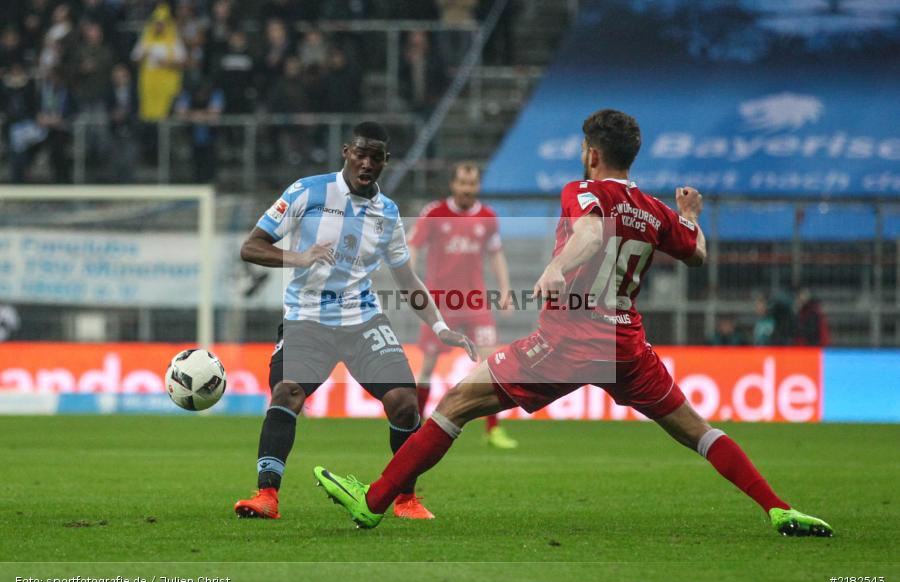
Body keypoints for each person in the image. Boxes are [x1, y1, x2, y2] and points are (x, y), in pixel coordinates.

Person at [314, 109, 833, 538]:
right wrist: (691, 215)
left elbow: (588, 229)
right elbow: (696, 252)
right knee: (698, 430)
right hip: (627, 347)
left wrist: (557, 266)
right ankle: (778, 507)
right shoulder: (654, 211)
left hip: (568, 341)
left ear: (591, 154)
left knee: (453, 405)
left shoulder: (584, 191)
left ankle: (375, 500)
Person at [234, 122, 477, 521]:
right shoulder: (307, 190)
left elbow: (407, 279)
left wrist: (440, 326)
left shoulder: (388, 213)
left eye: (375, 157)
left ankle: (406, 499)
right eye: (360, 153)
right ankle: (267, 495)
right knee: (288, 392)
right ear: (346, 152)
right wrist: (300, 257)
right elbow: (251, 246)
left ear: (385, 161)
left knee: (403, 403)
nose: (367, 163)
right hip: (307, 317)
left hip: (361, 318)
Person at [409, 162, 518, 449]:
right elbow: (413, 245)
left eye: (472, 184)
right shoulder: (434, 213)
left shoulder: (487, 217)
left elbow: (496, 255)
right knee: (428, 366)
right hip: (440, 304)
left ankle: (493, 430)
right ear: (453, 185)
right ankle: (414, 425)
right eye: (463, 183)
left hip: (476, 302)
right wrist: (410, 282)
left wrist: (505, 290)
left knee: (491, 364)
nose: (467, 189)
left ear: (477, 186)